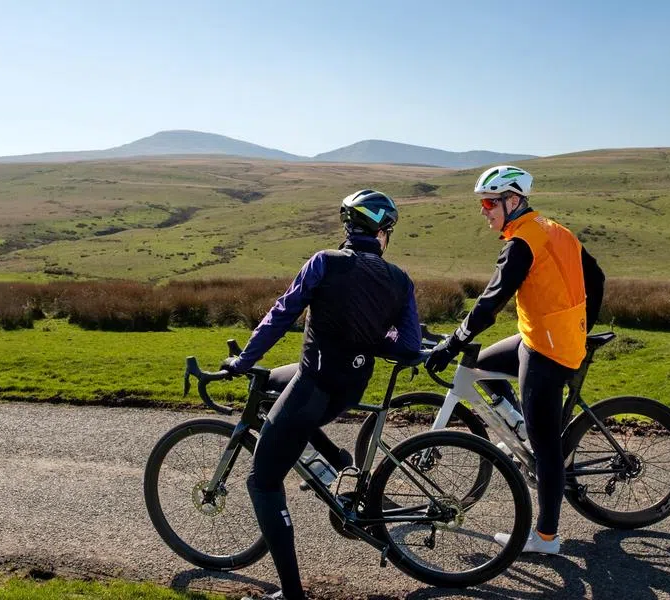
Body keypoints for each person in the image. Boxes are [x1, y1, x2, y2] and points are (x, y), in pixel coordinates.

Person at [222, 189, 421, 600]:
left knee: (262, 481)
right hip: (350, 388)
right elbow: (407, 347)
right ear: (382, 233)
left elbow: (282, 314)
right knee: (273, 385)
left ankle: (293, 595)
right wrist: (371, 335)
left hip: (314, 385)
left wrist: (243, 360)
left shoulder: (325, 263)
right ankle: (338, 461)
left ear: (349, 227)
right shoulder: (400, 279)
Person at [425, 165, 605, 555]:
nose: (484, 210)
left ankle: (546, 538)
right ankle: (519, 424)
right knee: (478, 368)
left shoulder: (523, 241)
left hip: (548, 352)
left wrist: (453, 341)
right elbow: (598, 277)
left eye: (490, 202)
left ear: (514, 200)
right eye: (482, 203)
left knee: (547, 450)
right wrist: (581, 325)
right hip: (536, 337)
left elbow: (491, 302)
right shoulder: (554, 228)